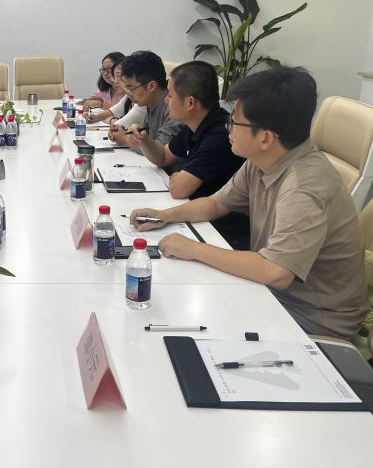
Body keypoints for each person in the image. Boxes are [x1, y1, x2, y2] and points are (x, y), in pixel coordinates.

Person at [131, 67, 367, 340]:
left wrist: (193, 249)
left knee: (177, 321)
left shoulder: (304, 187)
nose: (228, 128)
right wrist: (164, 215)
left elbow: (276, 272)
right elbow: (215, 204)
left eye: (235, 122)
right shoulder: (263, 161)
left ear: (265, 138)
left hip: (311, 319)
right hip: (271, 294)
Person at [127, 61, 249, 248]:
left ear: (190, 102)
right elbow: (163, 157)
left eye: (170, 95)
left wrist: (178, 178)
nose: (166, 101)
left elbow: (178, 190)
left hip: (220, 232)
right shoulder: (194, 124)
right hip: (196, 215)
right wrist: (144, 141)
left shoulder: (220, 135)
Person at [107, 51, 182, 149]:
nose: (128, 93)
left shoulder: (174, 106)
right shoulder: (151, 102)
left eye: (130, 88)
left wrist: (125, 140)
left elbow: (161, 149)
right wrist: (124, 133)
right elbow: (146, 137)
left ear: (152, 86)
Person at [87, 56, 147, 128]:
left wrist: (110, 120)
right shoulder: (128, 94)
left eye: (118, 76)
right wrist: (96, 117)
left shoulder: (143, 101)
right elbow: (116, 110)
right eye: (114, 77)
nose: (115, 81)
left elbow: (117, 127)